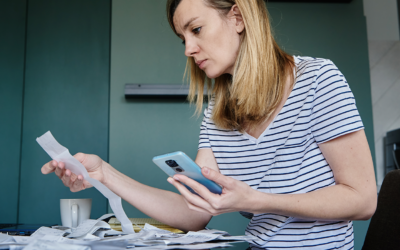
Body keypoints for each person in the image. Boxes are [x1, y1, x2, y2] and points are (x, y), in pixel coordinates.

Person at [41, 0, 377, 249]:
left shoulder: (317, 79)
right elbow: (194, 213)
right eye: (182, 37)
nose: (188, 48)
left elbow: (362, 200)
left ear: (238, 17)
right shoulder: (217, 109)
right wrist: (105, 175)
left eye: (196, 29)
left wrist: (255, 200)